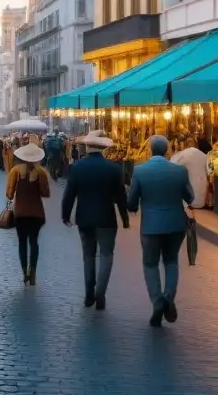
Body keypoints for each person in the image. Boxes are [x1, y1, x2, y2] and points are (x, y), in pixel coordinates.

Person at [127, 135, 194, 327]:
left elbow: (132, 203)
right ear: (167, 150)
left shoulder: (140, 171)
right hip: (175, 224)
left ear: (149, 150)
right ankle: (168, 296)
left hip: (150, 226)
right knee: (171, 261)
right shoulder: (180, 171)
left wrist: (131, 206)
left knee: (150, 264)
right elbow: (190, 197)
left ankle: (157, 301)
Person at [62, 131, 129, 309]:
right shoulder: (114, 168)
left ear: (87, 146)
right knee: (107, 255)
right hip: (107, 218)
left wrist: (65, 215)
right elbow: (121, 196)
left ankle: (89, 293)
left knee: (88, 255)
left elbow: (69, 194)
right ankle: (101, 293)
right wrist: (125, 218)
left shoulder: (76, 167)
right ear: (103, 148)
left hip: (84, 218)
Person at [6, 142, 51, 286]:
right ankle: (33, 272)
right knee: (34, 242)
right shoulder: (41, 172)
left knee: (22, 242)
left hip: (20, 213)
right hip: (36, 213)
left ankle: (24, 271)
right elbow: (46, 193)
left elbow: (9, 194)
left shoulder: (15, 171)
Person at [171, 137, 211, 266]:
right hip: (198, 196)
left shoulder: (179, 157)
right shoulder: (205, 156)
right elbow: (210, 171)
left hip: (183, 200)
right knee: (189, 227)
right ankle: (191, 258)